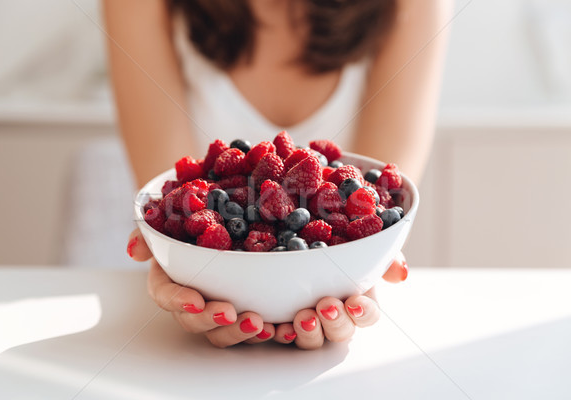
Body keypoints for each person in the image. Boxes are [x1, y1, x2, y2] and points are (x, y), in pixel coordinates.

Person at [103, 0, 451, 349]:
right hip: (176, 332)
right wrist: (176, 264)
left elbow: (376, 198)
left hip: (327, 297)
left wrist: (363, 272)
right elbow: (174, 210)